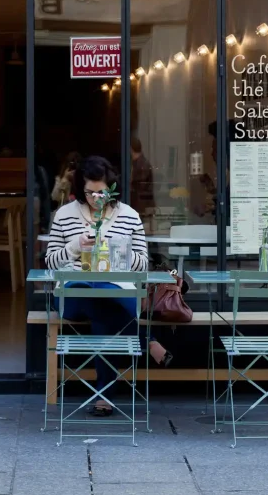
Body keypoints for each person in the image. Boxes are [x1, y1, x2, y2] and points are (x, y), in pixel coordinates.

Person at [44, 155, 171, 416]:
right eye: (89, 193)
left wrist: (118, 253)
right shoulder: (64, 215)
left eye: (101, 193)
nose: (95, 199)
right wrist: (75, 245)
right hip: (72, 294)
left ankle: (103, 398)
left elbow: (142, 264)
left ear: (111, 188)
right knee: (94, 289)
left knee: (102, 306)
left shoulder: (129, 216)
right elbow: (50, 262)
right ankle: (147, 340)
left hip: (114, 292)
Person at [129, 137, 155, 219]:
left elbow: (139, 186)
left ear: (131, 149)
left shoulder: (142, 165)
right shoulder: (137, 163)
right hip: (140, 206)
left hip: (141, 207)